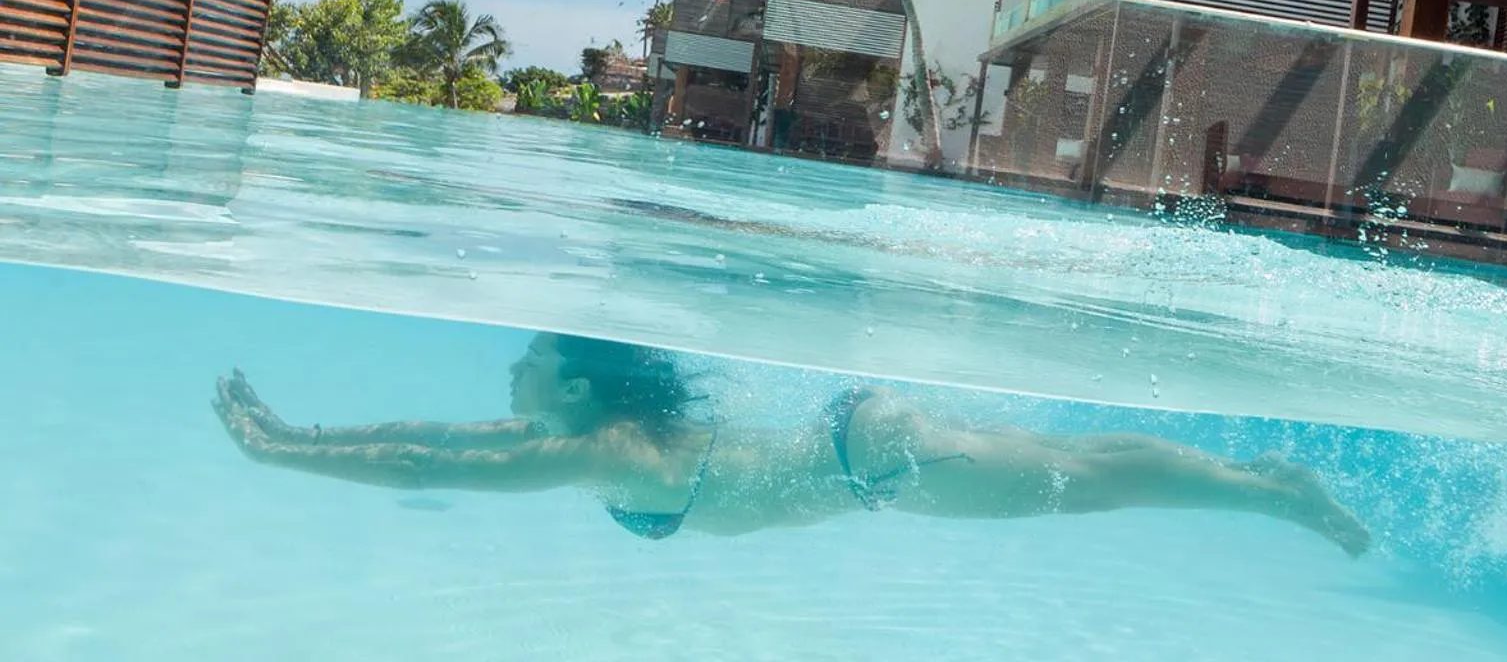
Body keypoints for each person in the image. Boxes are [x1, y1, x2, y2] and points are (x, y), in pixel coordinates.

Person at [212, 332, 1370, 555]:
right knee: (1087, 470)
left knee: (1094, 489)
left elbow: (431, 470)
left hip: (881, 464)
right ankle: (1261, 481)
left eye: (527, 360)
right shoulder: (589, 424)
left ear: (568, 379)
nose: (509, 373)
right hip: (866, 440)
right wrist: (295, 429)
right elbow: (431, 436)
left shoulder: (604, 447)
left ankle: (1269, 496)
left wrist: (273, 459)